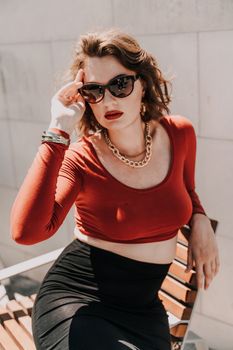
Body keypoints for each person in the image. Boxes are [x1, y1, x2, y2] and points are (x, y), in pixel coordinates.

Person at [10, 28, 220, 350]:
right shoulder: (82, 158)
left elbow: (187, 189)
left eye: (119, 84)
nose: (108, 100)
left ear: (142, 84)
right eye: (94, 91)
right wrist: (58, 129)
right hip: (79, 301)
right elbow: (27, 232)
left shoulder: (179, 134)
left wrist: (200, 219)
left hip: (144, 310)